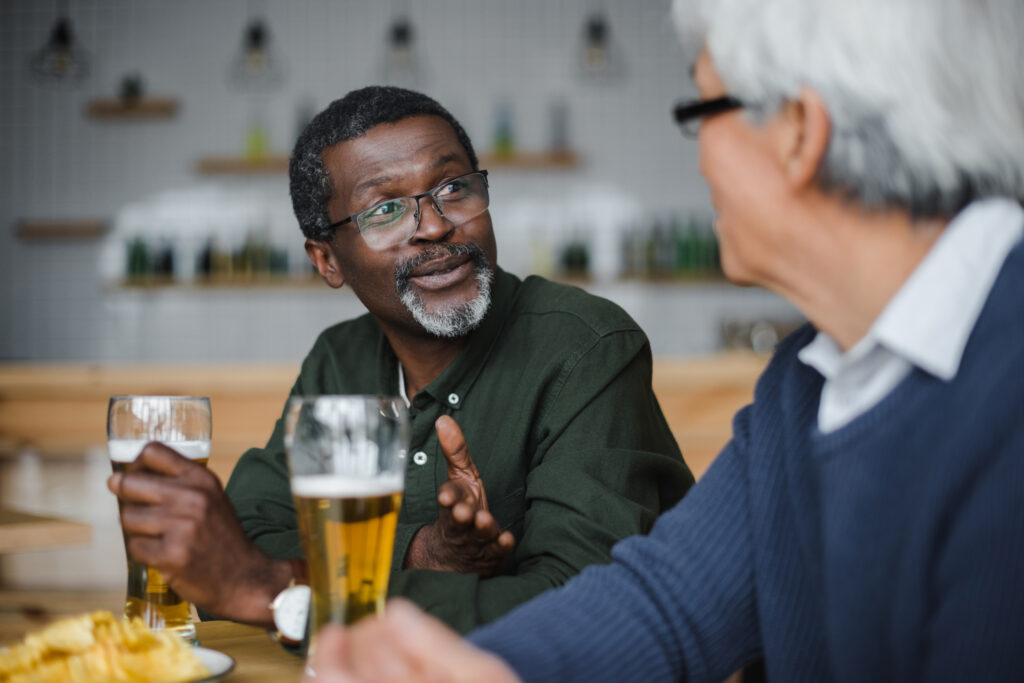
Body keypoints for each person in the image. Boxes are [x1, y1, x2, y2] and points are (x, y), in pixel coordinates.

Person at [302, 0, 1024, 680]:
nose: (700, 157)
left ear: (800, 133)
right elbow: (666, 605)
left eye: (702, 109)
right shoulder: (808, 384)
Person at [107, 86, 693, 635]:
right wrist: (422, 554)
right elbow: (241, 543)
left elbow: (584, 611)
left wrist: (276, 588)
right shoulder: (339, 360)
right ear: (327, 261)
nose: (435, 226)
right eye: (385, 210)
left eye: (454, 188)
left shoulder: (586, 346)